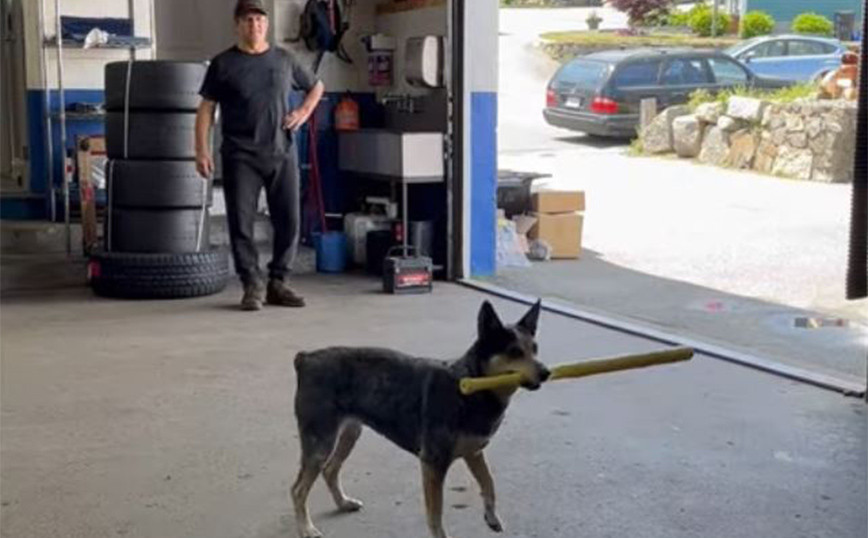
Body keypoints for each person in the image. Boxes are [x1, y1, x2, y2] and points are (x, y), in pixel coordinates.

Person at [195, 0, 325, 311]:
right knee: (241, 224)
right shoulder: (223, 64)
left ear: (267, 25)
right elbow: (206, 109)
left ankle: (278, 282)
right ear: (238, 25)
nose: (255, 25)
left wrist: (303, 112)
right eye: (249, 20)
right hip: (241, 156)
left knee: (290, 221)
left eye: (260, 20)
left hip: (282, 152)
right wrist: (200, 150)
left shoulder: (283, 59)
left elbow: (316, 86)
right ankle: (252, 284)